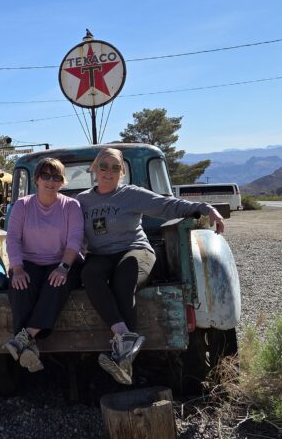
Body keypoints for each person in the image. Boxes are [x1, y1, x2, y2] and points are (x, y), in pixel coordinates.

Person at [76, 148, 225, 385]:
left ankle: (123, 354)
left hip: (135, 249)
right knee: (89, 274)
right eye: (103, 166)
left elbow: (167, 206)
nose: (108, 172)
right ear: (94, 169)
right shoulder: (81, 201)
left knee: (126, 274)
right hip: (101, 255)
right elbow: (62, 225)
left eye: (116, 167)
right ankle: (126, 338)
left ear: (122, 172)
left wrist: (205, 208)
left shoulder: (131, 194)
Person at [3, 158, 84, 372]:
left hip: (62, 261)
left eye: (56, 177)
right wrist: (17, 268)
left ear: (62, 182)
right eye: (46, 176)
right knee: (19, 285)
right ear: (36, 179)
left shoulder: (71, 206)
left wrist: (63, 267)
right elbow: (12, 239)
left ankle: (24, 337)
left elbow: (74, 240)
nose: (51, 181)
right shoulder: (22, 205)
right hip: (29, 260)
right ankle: (28, 347)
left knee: (56, 283)